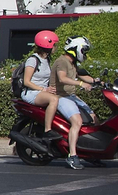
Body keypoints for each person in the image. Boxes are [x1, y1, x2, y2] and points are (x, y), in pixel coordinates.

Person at [52, 35, 99, 169]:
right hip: (61, 96)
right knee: (77, 121)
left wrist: (96, 81)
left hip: (71, 96)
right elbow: (62, 78)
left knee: (94, 119)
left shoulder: (72, 63)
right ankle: (72, 156)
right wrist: (81, 84)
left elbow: (81, 75)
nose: (84, 54)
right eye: (83, 51)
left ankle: (90, 153)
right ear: (76, 48)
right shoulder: (62, 61)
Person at [20, 31, 60, 138]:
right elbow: (26, 82)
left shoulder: (47, 60)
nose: (55, 47)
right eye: (54, 45)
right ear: (47, 45)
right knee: (54, 99)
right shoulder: (33, 60)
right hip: (31, 93)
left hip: (40, 92)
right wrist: (44, 89)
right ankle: (48, 130)